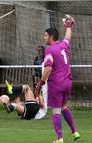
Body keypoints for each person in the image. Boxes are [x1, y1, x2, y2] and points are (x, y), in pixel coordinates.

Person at [35, 15, 80, 143]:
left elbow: (48, 69)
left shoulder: (49, 50)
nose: (44, 37)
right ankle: (75, 131)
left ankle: (59, 139)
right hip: (67, 82)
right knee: (64, 106)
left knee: (55, 111)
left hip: (57, 84)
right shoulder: (63, 46)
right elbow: (68, 37)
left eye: (45, 35)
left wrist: (41, 82)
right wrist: (69, 26)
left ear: (51, 37)